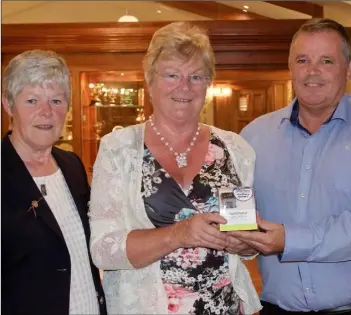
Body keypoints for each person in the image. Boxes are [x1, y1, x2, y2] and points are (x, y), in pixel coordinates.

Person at [89, 21, 262, 315]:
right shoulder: (118, 148)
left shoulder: (235, 150)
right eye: (171, 75)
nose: (184, 87)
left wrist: (245, 242)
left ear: (208, 84)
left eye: (196, 77)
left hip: (225, 307)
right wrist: (179, 234)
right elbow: (103, 249)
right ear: (149, 81)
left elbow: (244, 238)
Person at [236, 18, 351, 314]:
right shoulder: (253, 136)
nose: (312, 71)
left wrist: (289, 240)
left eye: (326, 60)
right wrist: (240, 240)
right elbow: (240, 214)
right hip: (274, 307)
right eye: (302, 60)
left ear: (350, 68)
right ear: (290, 66)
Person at [1, 50, 106, 315]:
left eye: (56, 100)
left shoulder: (71, 165)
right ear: (8, 104)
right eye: (32, 100)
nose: (46, 112)